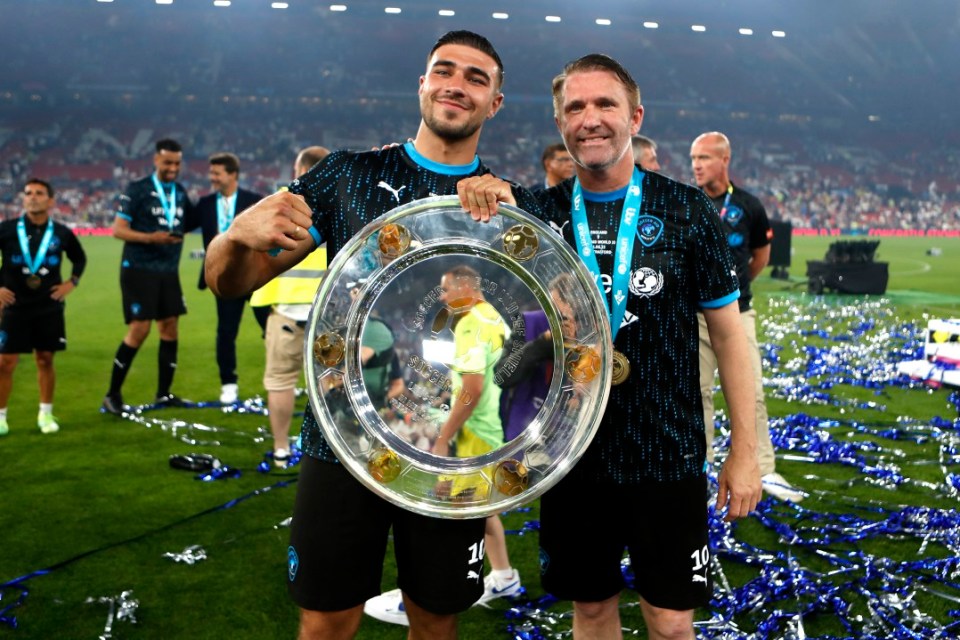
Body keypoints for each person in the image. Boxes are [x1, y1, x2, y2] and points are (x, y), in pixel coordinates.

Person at [203, 31, 542, 640]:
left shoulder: (513, 206)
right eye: (444, 70)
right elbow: (230, 283)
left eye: (475, 78)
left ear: (495, 104)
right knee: (327, 619)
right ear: (422, 84)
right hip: (343, 439)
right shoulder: (349, 175)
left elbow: (544, 330)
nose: (455, 85)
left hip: (450, 449)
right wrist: (231, 237)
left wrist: (517, 221)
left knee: (436, 619)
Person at [457, 54, 762, 640]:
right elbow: (476, 275)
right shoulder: (538, 215)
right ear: (559, 124)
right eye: (575, 107)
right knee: (591, 611)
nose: (590, 119)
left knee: (672, 623)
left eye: (605, 105)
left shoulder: (686, 209)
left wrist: (743, 451)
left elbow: (729, 337)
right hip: (572, 456)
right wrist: (477, 191)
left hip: (667, 451)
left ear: (634, 116)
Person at [364, 265, 522, 626]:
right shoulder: (492, 316)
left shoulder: (470, 324)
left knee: (453, 513)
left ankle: (426, 600)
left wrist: (443, 436)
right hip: (486, 425)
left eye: (445, 290)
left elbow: (473, 389)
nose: (441, 297)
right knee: (480, 509)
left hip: (474, 432)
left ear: (465, 288)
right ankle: (504, 577)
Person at [690, 131, 803, 503]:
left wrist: (733, 292)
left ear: (725, 160)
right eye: (693, 158)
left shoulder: (750, 206)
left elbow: (761, 257)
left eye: (704, 158)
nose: (696, 165)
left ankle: (764, 468)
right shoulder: (685, 205)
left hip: (738, 315)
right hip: (695, 317)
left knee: (751, 392)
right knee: (697, 392)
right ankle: (701, 470)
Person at [250, 145, 331, 465]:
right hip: (327, 315)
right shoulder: (340, 201)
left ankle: (282, 449)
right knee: (329, 386)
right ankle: (327, 454)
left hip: (286, 312)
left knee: (281, 383)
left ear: (299, 169)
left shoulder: (278, 204)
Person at [102, 138, 194, 414]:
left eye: (177, 163)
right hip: (139, 269)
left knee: (169, 328)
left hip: (168, 271)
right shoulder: (138, 189)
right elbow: (118, 229)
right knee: (139, 329)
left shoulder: (179, 191)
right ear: (155, 160)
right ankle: (112, 394)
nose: (173, 168)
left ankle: (163, 394)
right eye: (168, 162)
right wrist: (151, 238)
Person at [0, 179, 86, 435]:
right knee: (4, 362)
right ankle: (1, 417)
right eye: (28, 193)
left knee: (45, 359)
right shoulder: (6, 229)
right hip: (14, 306)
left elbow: (79, 258)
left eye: (39, 193)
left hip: (49, 306)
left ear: (50, 201)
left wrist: (72, 282)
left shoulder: (61, 232)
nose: (33, 197)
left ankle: (45, 415)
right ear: (23, 199)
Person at [194, 152, 267, 404]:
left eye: (216, 173)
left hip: (256, 276)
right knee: (225, 332)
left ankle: (280, 380)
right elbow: (179, 228)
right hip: (224, 278)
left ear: (232, 174)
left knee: (272, 330)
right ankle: (228, 384)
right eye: (211, 172)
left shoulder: (254, 201)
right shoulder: (203, 204)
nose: (211, 177)